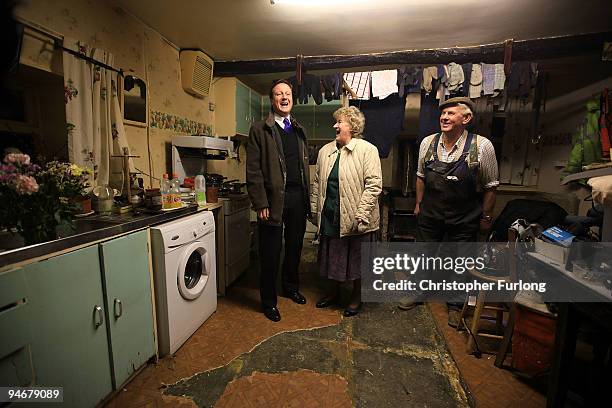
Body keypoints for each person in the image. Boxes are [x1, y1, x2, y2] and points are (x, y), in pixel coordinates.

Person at [398, 96, 499, 315]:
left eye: (451, 113)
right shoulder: (428, 142)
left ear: (467, 118)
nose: (444, 117)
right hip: (431, 211)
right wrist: (418, 203)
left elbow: (491, 186)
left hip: (465, 215)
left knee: (460, 260)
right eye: (443, 114)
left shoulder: (481, 146)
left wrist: (486, 217)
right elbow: (420, 176)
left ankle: (455, 302)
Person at [246, 79, 310, 322]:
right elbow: (253, 171)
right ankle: (268, 301)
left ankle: (290, 287)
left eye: (288, 93)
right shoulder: (260, 129)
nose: (284, 97)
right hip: (273, 200)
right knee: (270, 252)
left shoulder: (298, 129)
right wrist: (260, 202)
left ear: (292, 98)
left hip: (297, 198)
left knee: (294, 246)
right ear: (271, 100)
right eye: (278, 94)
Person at [311, 106, 382, 317]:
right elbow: (317, 184)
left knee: (357, 260)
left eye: (339, 122)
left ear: (352, 126)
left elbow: (374, 184)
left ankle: (356, 296)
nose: (335, 125)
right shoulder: (325, 151)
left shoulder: (368, 150)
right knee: (333, 256)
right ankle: (333, 292)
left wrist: (361, 214)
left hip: (357, 217)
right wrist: (315, 211)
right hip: (331, 215)